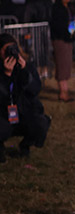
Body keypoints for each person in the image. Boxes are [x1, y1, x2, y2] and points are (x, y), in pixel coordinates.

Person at [0, 34, 50, 162]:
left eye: (13, 49)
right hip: (3, 116)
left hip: (23, 113)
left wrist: (24, 70)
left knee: (41, 123)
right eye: (7, 50)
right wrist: (6, 75)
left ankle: (26, 145)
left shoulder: (26, 66)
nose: (11, 53)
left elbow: (35, 89)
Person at [49, 0, 75, 102]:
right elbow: (58, 25)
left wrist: (73, 31)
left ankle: (65, 91)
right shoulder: (57, 9)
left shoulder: (69, 8)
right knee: (62, 65)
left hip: (68, 39)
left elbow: (71, 22)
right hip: (60, 39)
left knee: (67, 65)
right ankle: (62, 92)